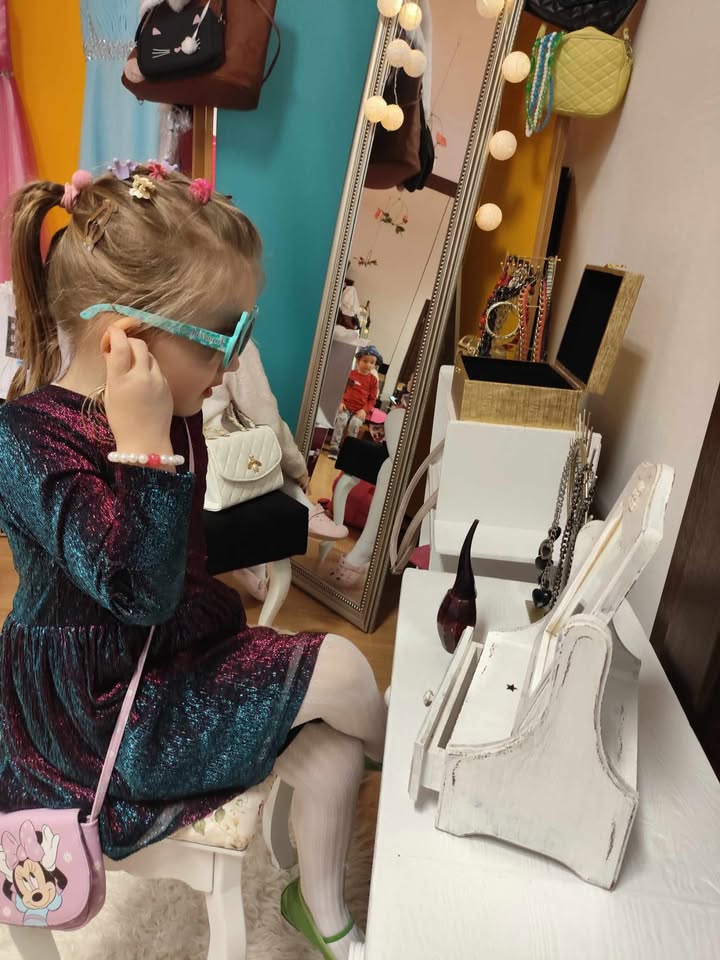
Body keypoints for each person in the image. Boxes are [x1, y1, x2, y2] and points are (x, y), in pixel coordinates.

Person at [0, 166, 386, 960]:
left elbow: (182, 561)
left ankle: (323, 912)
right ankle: (416, 783)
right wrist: (143, 450)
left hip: (171, 655)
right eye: (224, 339)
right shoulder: (25, 439)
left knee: (335, 740)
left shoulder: (175, 416)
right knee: (346, 673)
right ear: (125, 340)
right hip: (95, 713)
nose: (232, 365)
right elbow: (135, 591)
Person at [203, 342, 349, 601]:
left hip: (170, 456)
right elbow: (264, 413)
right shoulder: (235, 340)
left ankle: (254, 567)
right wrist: (299, 468)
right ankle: (302, 504)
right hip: (212, 459)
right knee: (262, 450)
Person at [328, 345, 382, 459]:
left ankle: (347, 450)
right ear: (358, 360)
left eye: (372, 363)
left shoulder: (373, 380)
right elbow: (340, 389)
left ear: (375, 365)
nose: (368, 365)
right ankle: (334, 446)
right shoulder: (350, 374)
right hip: (346, 407)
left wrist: (364, 410)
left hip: (359, 411)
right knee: (341, 419)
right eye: (365, 361)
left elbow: (372, 399)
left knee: (355, 424)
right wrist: (341, 402)